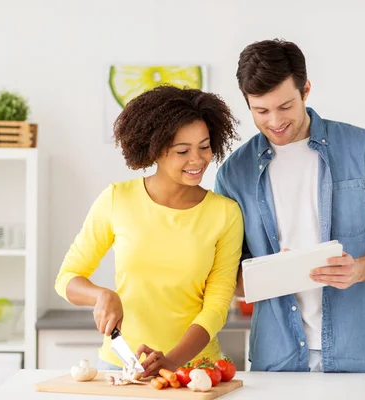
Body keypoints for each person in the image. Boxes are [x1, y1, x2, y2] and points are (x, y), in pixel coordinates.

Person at [214, 39, 365, 373]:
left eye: (285, 106)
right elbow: (227, 277)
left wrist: (358, 269)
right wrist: (272, 274)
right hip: (278, 358)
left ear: (305, 90)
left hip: (358, 351)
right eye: (261, 111)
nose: (275, 121)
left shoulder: (364, 148)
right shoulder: (234, 172)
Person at [54, 85, 243, 377]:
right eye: (182, 150)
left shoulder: (225, 213)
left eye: (204, 146)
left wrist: (171, 361)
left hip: (194, 372)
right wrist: (101, 295)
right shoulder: (118, 198)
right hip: (121, 365)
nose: (197, 160)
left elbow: (217, 304)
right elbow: (67, 278)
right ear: (154, 149)